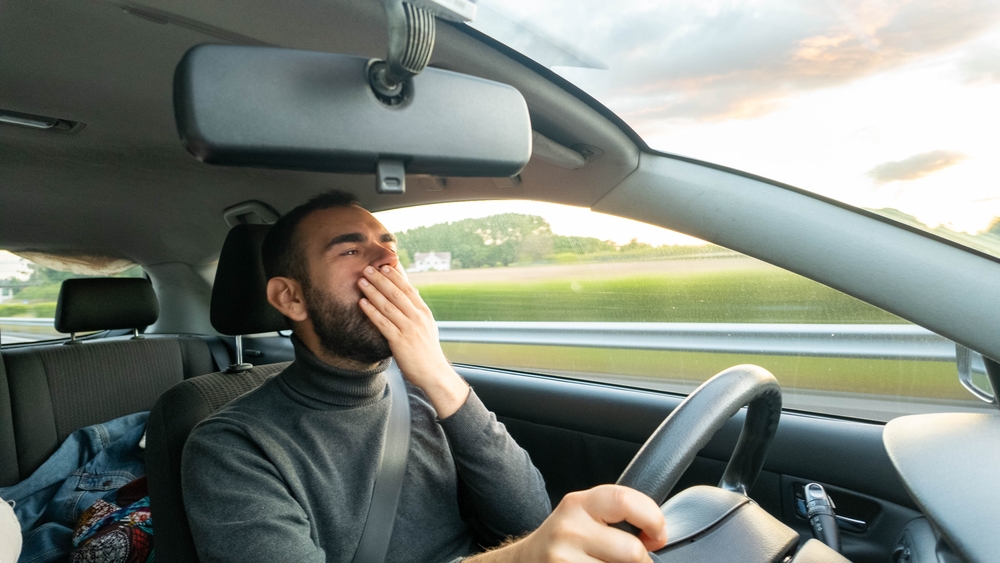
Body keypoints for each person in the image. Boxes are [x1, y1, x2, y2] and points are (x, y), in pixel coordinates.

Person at [182, 190, 668, 562]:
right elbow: (526, 543)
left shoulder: (424, 390)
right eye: (350, 252)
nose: (387, 262)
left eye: (387, 247)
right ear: (291, 298)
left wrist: (439, 376)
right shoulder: (232, 446)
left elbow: (529, 518)